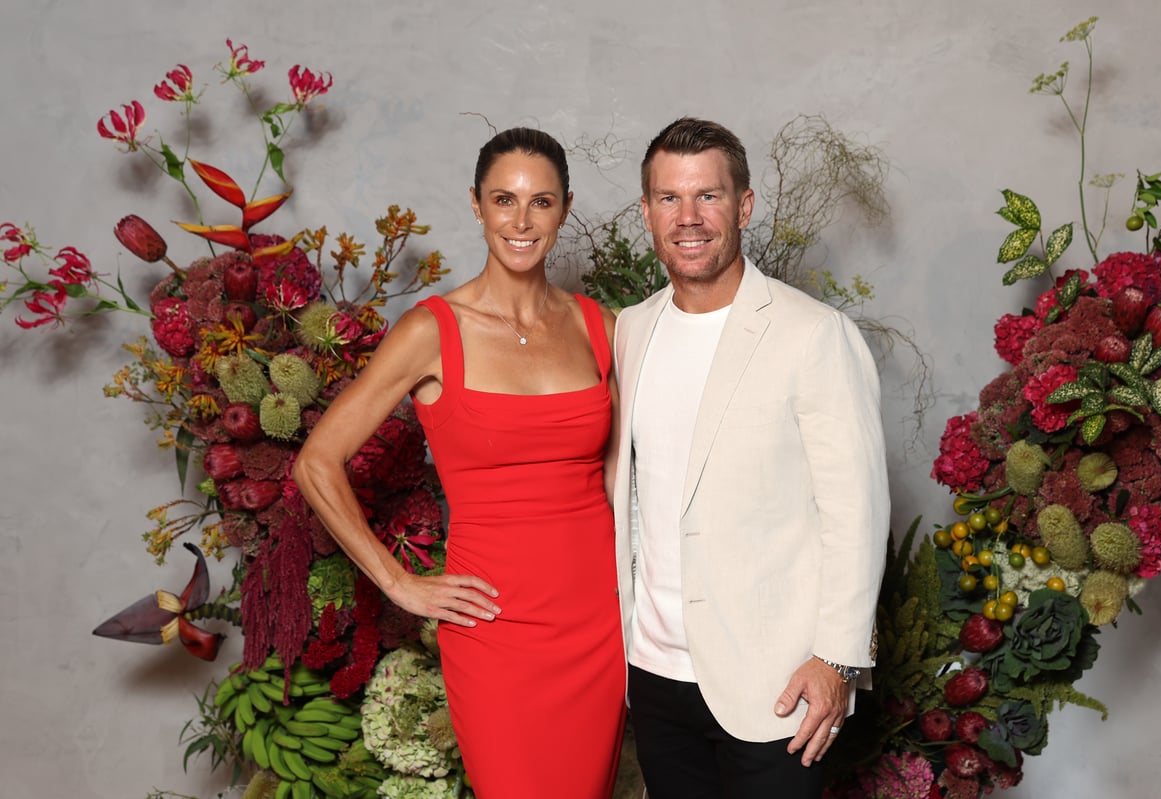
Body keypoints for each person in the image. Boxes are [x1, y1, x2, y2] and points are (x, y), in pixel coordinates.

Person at [293, 127, 626, 798]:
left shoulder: (602, 326)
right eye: (504, 199)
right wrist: (396, 581)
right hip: (493, 625)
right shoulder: (431, 331)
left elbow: (628, 478)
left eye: (542, 201)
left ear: (565, 208)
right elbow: (316, 462)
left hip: (600, 620)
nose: (521, 220)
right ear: (476, 206)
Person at [612, 117, 889, 798]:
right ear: (646, 212)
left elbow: (857, 509)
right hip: (651, 671)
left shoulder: (815, 334)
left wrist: (837, 659)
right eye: (670, 198)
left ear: (744, 205)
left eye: (708, 196)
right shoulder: (632, 328)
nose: (689, 217)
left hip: (775, 680)